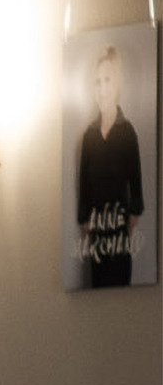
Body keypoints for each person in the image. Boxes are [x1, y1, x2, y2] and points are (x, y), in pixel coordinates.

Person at [76, 44, 145, 288]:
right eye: (97, 82)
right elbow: (84, 185)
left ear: (117, 84)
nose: (102, 88)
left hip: (118, 233)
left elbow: (136, 191)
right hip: (96, 236)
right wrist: (86, 220)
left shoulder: (127, 133)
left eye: (107, 80)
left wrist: (127, 222)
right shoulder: (89, 136)